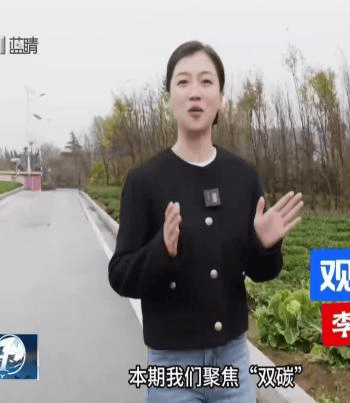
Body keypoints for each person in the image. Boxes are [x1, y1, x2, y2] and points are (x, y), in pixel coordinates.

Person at [108, 40, 303, 403]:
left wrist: (265, 245)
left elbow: (261, 272)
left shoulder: (242, 177)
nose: (195, 92)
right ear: (170, 99)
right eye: (183, 82)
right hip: (172, 366)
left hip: (233, 361)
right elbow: (120, 275)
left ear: (221, 100)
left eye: (206, 81)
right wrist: (162, 250)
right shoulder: (144, 181)